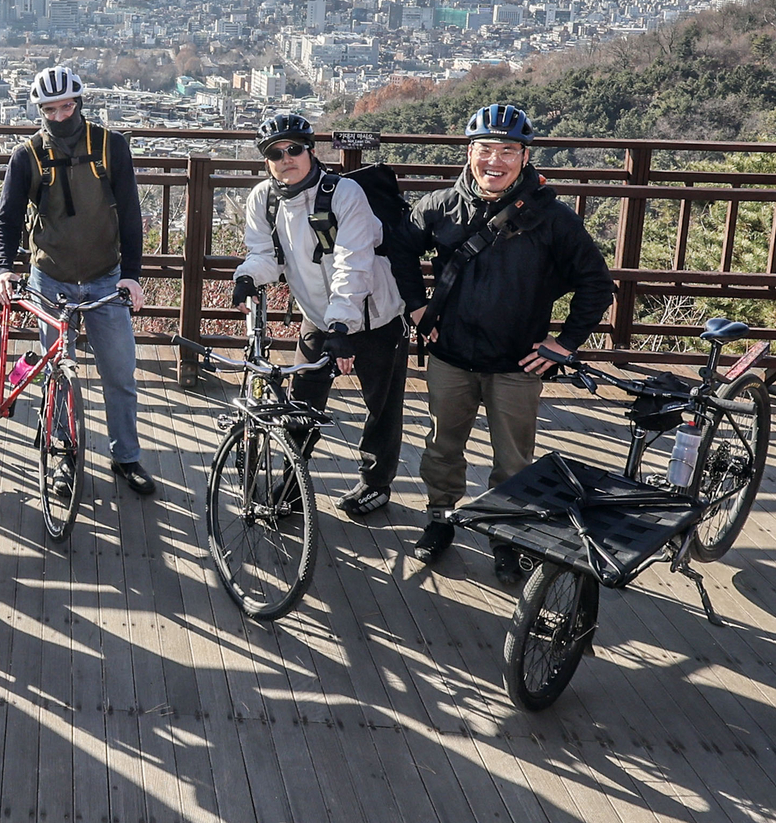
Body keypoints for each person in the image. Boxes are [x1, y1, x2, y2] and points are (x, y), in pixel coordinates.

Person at [403, 103, 616, 582]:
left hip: (517, 360)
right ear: (469, 151)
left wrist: (564, 344)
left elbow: (596, 283)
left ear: (524, 157)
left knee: (514, 458)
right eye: (485, 149)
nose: (494, 160)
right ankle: (439, 518)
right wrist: (416, 306)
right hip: (450, 353)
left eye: (507, 150)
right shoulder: (440, 206)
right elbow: (400, 249)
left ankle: (507, 533)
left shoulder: (552, 217)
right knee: (441, 444)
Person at [0, 66, 156, 499]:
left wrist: (133, 275)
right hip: (52, 277)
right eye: (51, 109)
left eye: (68, 106)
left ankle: (126, 456)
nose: (61, 116)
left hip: (106, 277)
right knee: (57, 374)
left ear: (80, 103)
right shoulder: (27, 155)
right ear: (39, 110)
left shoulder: (109, 146)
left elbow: (132, 215)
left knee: (119, 371)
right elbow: (5, 218)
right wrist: (4, 267)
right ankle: (61, 452)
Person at [232, 112, 412, 516]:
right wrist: (246, 277)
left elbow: (354, 263)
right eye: (275, 153)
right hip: (318, 316)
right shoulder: (264, 198)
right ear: (266, 160)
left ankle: (375, 482)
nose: (286, 158)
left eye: (294, 149)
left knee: (381, 407)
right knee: (302, 404)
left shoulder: (345, 194)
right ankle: (293, 481)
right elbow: (265, 255)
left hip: (374, 316)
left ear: (311, 150)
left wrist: (342, 325)